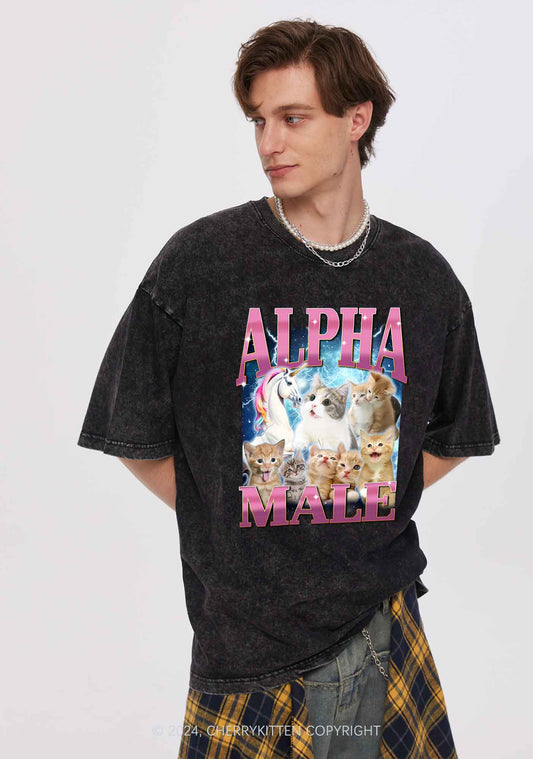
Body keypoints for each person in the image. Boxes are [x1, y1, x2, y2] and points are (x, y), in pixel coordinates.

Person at [77, 18, 500, 759]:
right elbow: (133, 435)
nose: (269, 142)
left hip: (382, 625)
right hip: (247, 645)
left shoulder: (422, 279)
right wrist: (234, 511)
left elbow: (455, 433)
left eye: (293, 118)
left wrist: (345, 498)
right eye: (258, 121)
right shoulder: (201, 263)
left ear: (356, 119)